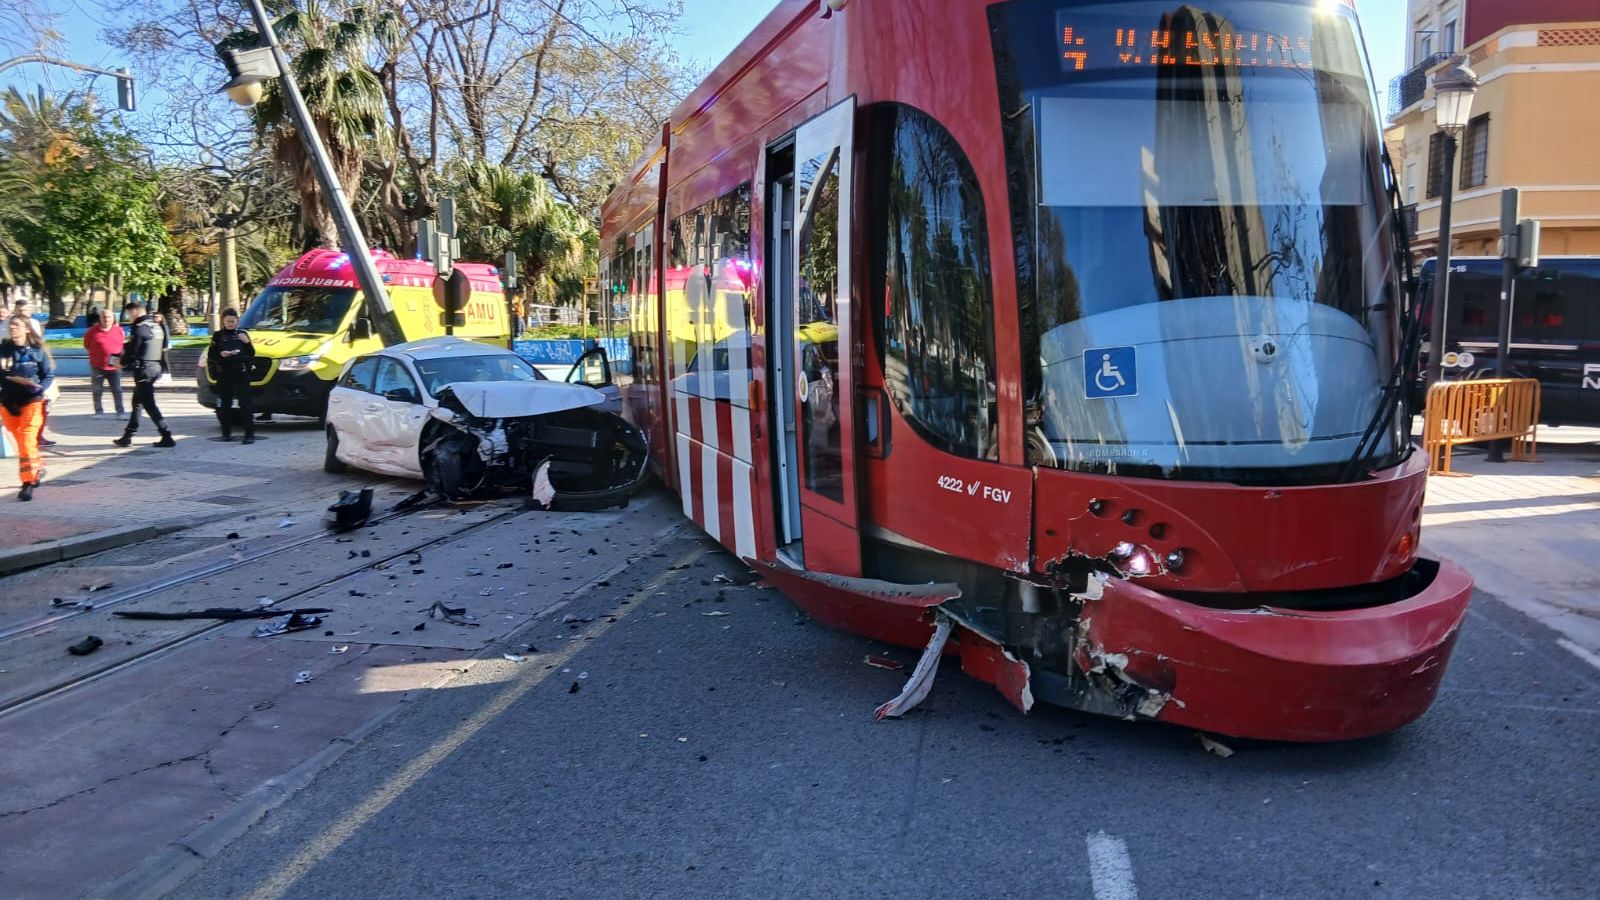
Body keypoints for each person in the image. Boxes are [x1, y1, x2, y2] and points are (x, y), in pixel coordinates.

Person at [1, 314, 54, 500]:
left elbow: (48, 375)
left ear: (26, 329)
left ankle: (27, 482)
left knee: (26, 439)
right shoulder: (4, 349)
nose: (12, 327)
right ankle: (37, 467)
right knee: (21, 442)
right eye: (11, 325)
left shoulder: (36, 351)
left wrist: (40, 389)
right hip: (8, 402)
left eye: (16, 325)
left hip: (32, 401)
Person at [114, 299, 175, 448]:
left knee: (148, 404)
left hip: (144, 370)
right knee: (137, 402)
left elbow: (135, 350)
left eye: (129, 313)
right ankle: (128, 435)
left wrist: (121, 363)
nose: (129, 317)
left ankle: (166, 435)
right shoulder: (155, 326)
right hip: (154, 367)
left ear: (135, 311)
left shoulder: (140, 328)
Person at [207, 308, 257, 443]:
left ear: (237, 321)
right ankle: (226, 433)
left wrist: (247, 342)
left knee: (245, 403)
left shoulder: (243, 334)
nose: (230, 324)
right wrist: (221, 354)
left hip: (241, 372)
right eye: (228, 321)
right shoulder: (218, 335)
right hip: (224, 372)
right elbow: (211, 354)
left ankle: (249, 434)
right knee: (225, 404)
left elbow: (252, 353)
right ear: (223, 321)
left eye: (233, 321)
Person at [83, 307, 126, 418]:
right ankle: (99, 411)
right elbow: (86, 345)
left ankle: (120, 412)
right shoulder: (92, 331)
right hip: (97, 365)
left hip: (114, 365)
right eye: (104, 317)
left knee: (117, 390)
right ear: (100, 318)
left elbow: (122, 346)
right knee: (97, 390)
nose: (106, 319)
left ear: (113, 318)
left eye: (109, 317)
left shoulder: (119, 331)